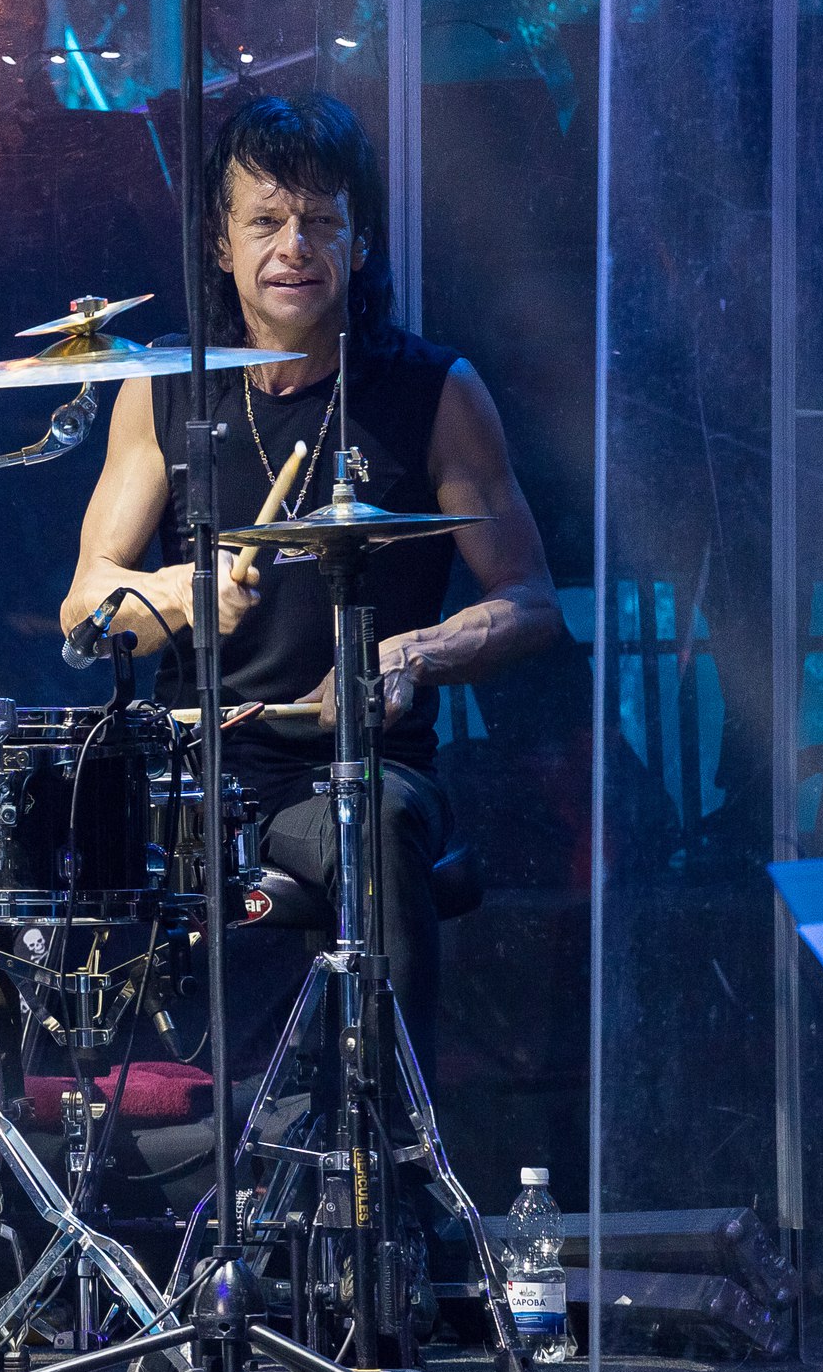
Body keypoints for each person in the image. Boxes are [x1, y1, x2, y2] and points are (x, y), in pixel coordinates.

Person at [61, 92, 559, 1087]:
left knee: (367, 818)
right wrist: (182, 592)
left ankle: (389, 1137)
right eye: (266, 221)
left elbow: (530, 600)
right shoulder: (163, 390)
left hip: (365, 767)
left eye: (321, 220)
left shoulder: (432, 392)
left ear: (359, 242)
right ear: (220, 243)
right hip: (199, 780)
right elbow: (86, 609)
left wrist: (410, 652)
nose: (294, 247)